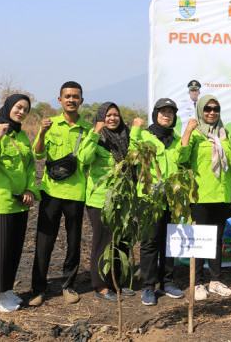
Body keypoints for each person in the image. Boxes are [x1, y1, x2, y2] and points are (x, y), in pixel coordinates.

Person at [0, 94, 40, 312]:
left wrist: (31, 189)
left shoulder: (21, 135)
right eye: (18, 107)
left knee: (12, 249)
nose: (21, 112)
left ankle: (5, 290)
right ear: (8, 107)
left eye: (25, 109)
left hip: (19, 202)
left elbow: (30, 165)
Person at [30, 81, 91, 306]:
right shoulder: (49, 124)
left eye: (75, 96)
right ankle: (38, 288)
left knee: (74, 242)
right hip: (50, 191)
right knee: (44, 241)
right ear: (60, 100)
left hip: (76, 192)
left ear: (81, 101)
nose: (71, 100)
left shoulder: (87, 129)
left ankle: (68, 285)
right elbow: (38, 155)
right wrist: (42, 132)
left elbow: (89, 159)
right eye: (67, 96)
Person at [178, 94, 231, 299]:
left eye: (215, 109)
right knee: (199, 241)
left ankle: (215, 280)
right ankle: (198, 283)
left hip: (221, 195)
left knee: (216, 240)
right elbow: (181, 158)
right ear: (201, 110)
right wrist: (186, 131)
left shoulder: (225, 133)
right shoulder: (194, 134)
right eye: (207, 109)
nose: (212, 112)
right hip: (201, 196)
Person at [77, 102, 134, 301]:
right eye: (108, 115)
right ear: (101, 117)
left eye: (115, 115)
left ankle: (117, 282)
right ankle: (100, 285)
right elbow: (83, 158)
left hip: (123, 199)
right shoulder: (96, 138)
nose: (112, 118)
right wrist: (95, 132)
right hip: (100, 200)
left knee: (122, 243)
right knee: (104, 243)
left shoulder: (126, 135)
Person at [133, 98, 186, 306]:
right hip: (149, 198)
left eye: (170, 112)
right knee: (149, 242)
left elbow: (183, 159)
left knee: (169, 242)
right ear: (155, 114)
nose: (167, 115)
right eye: (163, 111)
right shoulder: (145, 135)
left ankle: (167, 282)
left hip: (171, 198)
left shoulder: (175, 138)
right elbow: (133, 152)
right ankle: (148, 286)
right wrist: (135, 130)